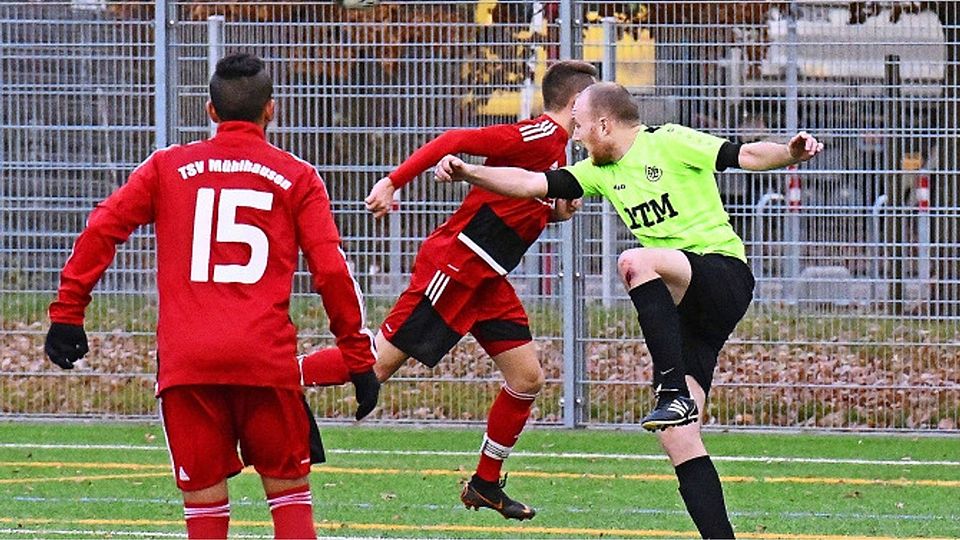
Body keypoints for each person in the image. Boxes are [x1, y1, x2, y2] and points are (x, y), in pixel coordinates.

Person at [435, 81, 823, 539]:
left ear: (603, 124)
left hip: (722, 275)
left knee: (634, 261)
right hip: (685, 308)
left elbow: (746, 155)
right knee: (679, 437)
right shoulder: (599, 171)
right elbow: (530, 183)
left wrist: (790, 153)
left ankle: (672, 391)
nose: (576, 137)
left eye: (580, 126)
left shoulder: (669, 141)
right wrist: (470, 173)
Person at [42, 53, 380, 539]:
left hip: (188, 365)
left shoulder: (166, 167)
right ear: (271, 110)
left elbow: (102, 228)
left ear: (211, 111)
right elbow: (331, 270)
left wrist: (68, 312)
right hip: (265, 363)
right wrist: (357, 357)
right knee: (289, 501)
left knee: (204, 512)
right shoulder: (297, 177)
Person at [297, 59, 599, 520]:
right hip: (456, 267)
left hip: (487, 280)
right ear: (577, 103)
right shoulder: (537, 135)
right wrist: (392, 182)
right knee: (376, 366)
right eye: (594, 102)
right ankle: (280, 376)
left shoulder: (558, 151)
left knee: (527, 379)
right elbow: (452, 140)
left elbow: (519, 202)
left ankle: (485, 483)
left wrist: (555, 212)